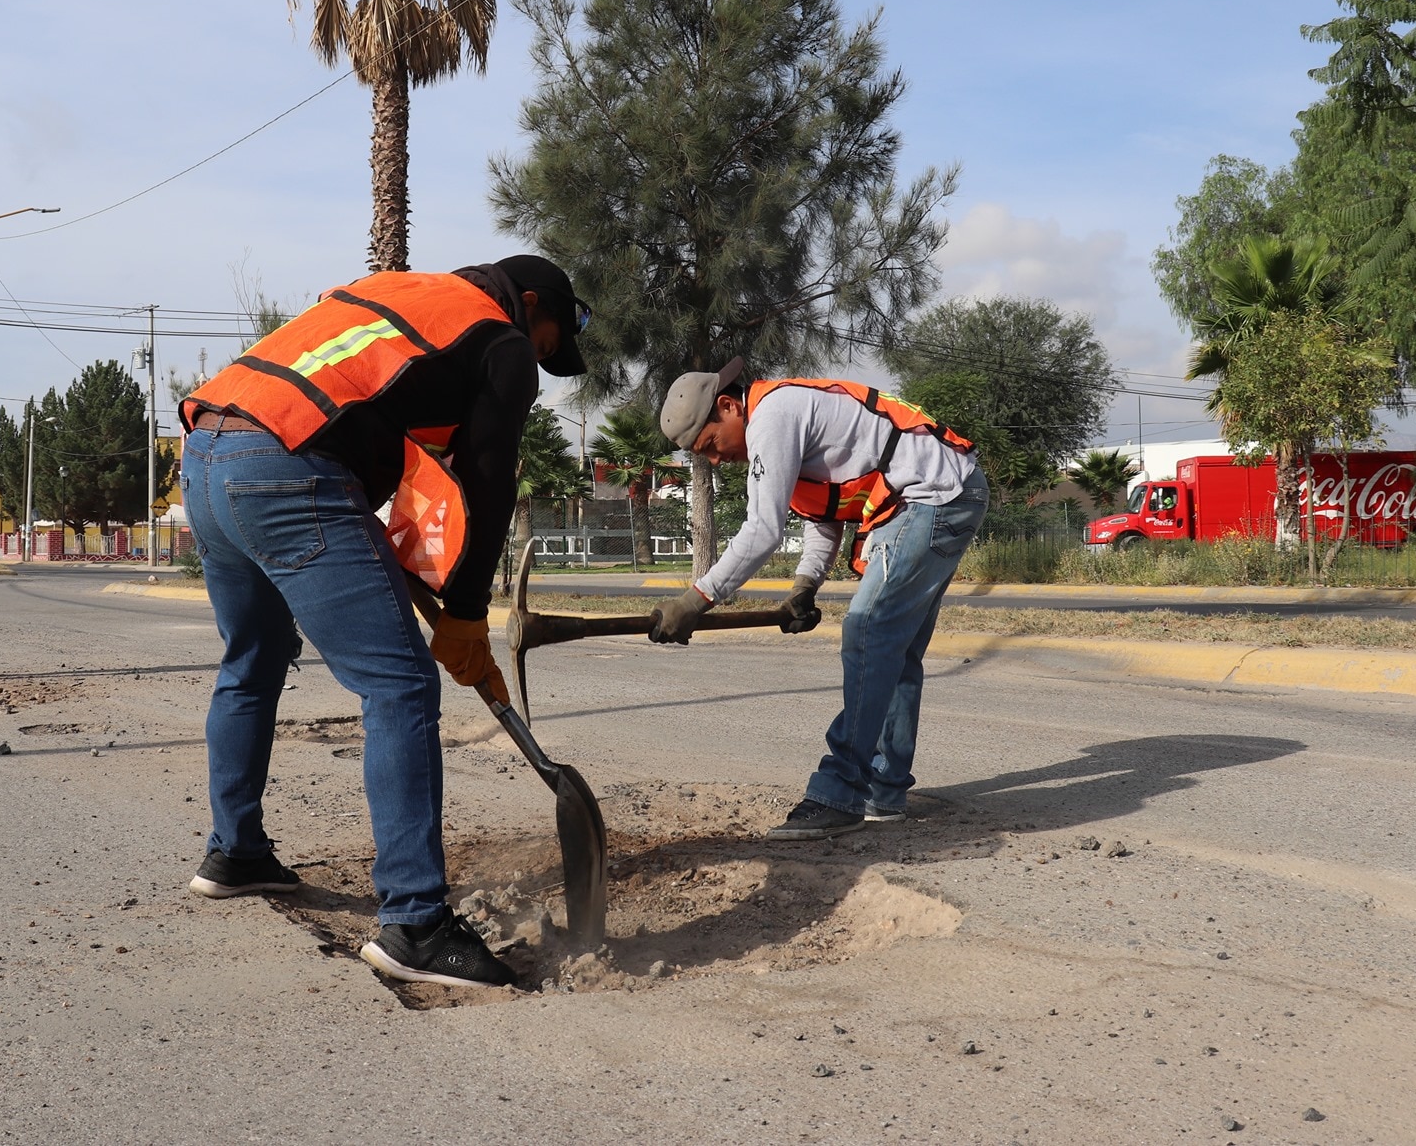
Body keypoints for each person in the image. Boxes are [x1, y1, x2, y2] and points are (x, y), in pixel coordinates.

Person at [179, 255, 589, 990]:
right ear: (529, 303)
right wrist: (466, 614)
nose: (539, 359)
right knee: (400, 684)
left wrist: (426, 576)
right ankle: (416, 924)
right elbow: (487, 481)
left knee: (253, 657)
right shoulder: (499, 339)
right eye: (549, 343)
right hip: (285, 465)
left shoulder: (395, 295)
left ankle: (235, 852)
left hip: (207, 452)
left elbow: (389, 443)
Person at [652, 359, 989, 841]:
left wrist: (696, 600)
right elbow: (823, 516)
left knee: (869, 633)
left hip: (931, 496)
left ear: (728, 406)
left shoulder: (772, 416)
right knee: (894, 652)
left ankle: (839, 793)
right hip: (948, 491)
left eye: (710, 444)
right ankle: (883, 790)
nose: (716, 460)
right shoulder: (784, 419)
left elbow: (762, 530)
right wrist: (804, 585)